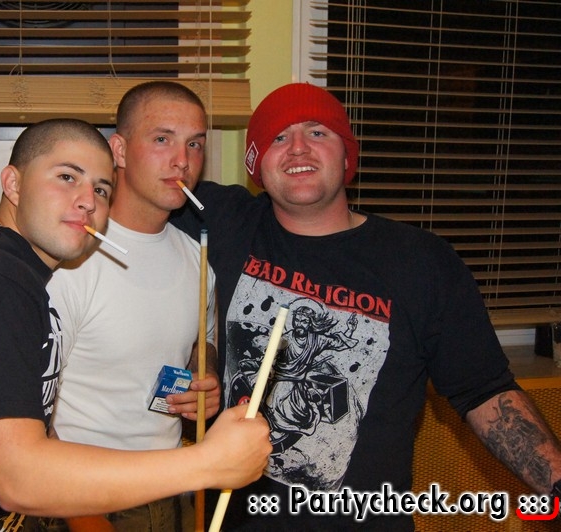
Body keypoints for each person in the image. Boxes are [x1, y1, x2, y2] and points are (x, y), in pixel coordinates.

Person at [0, 118, 271, 532]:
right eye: (66, 177)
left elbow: (28, 427)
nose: (88, 200)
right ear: (13, 184)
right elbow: (17, 479)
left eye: (101, 189)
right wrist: (208, 463)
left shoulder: (21, 276)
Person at [168, 82, 561, 529]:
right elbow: (139, 182)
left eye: (318, 133)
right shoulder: (223, 220)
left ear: (346, 156)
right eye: (278, 137)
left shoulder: (421, 262)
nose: (298, 148)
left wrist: (556, 484)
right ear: (257, 164)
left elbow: (486, 392)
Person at [0, 81, 221, 532]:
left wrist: (205, 379)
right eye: (162, 139)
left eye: (195, 144)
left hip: (170, 487)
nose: (182, 160)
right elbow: (31, 403)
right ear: (120, 150)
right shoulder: (66, 255)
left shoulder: (196, 258)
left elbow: (198, 344)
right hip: (82, 497)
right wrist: (81, 516)